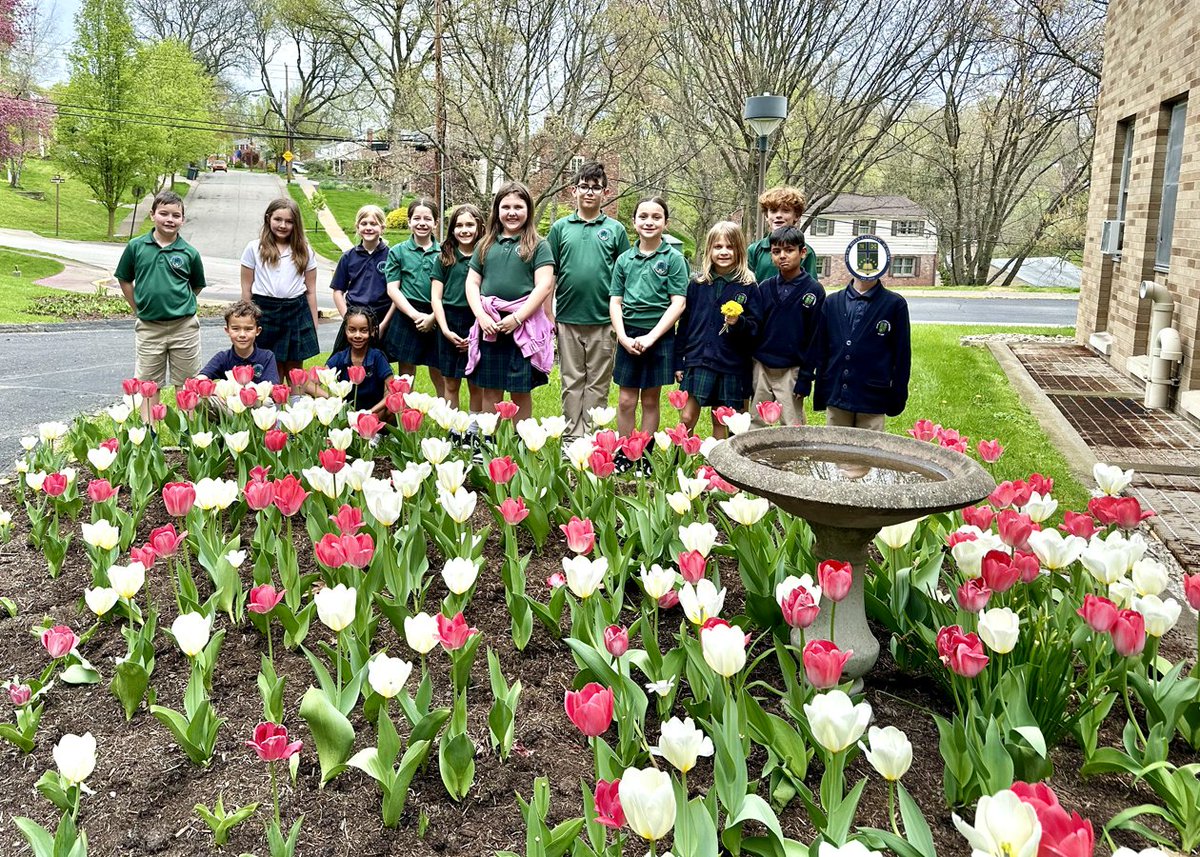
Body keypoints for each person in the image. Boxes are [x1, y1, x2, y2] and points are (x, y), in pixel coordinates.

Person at [547, 161, 631, 440]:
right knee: (572, 381)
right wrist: (549, 314)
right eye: (584, 187)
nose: (590, 193)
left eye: (596, 188)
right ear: (574, 190)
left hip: (603, 319)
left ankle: (593, 438)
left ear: (605, 193)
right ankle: (572, 437)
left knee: (598, 382)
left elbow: (624, 276)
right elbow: (550, 275)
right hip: (568, 318)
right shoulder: (560, 228)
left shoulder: (615, 230)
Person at [464, 181, 555, 421]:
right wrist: (481, 316)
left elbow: (544, 285)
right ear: (497, 210)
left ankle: (521, 442)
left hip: (522, 324)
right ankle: (489, 442)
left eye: (518, 207)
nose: (512, 213)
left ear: (529, 210)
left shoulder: (539, 245)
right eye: (506, 207)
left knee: (520, 389)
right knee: (490, 387)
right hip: (490, 324)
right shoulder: (485, 244)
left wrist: (517, 318)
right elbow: (472, 283)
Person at [808, 259, 911, 471]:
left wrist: (897, 395)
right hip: (837, 392)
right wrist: (820, 388)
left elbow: (901, 355)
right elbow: (821, 348)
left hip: (872, 396)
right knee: (836, 453)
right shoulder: (833, 302)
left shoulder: (894, 305)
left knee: (868, 457)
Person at [115, 189, 206, 412]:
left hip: (184, 328)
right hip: (149, 327)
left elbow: (197, 284)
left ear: (183, 220)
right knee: (149, 384)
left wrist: (181, 304)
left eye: (176, 215)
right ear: (152, 215)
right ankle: (149, 435)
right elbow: (125, 279)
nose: (170, 219)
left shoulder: (189, 252)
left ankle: (189, 436)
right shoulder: (136, 247)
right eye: (164, 213)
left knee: (187, 384)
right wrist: (137, 307)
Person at [609, 196, 688, 439]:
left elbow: (679, 302)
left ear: (666, 223)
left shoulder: (674, 259)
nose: (649, 222)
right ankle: (625, 449)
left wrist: (652, 337)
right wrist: (622, 337)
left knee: (651, 400)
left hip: (659, 334)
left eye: (656, 217)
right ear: (634, 222)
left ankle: (644, 452)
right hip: (628, 333)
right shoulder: (624, 260)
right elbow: (615, 301)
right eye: (643, 217)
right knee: (625, 399)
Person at [673, 221, 758, 440]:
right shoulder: (698, 284)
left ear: (739, 250)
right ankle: (680, 459)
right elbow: (684, 325)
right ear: (709, 250)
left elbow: (755, 329)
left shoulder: (748, 286)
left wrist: (737, 322)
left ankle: (718, 468)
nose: (723, 252)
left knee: (722, 420)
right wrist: (679, 361)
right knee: (687, 416)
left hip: (731, 364)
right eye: (718, 247)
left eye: (730, 247)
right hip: (698, 359)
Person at [240, 197, 319, 386]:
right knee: (268, 365)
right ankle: (270, 409)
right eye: (278, 219)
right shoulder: (254, 247)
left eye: (289, 221)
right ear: (268, 218)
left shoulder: (304, 250)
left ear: (296, 223)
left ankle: (295, 408)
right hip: (263, 311)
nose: (283, 225)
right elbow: (246, 289)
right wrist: (246, 320)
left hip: (296, 310)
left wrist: (314, 324)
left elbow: (311, 291)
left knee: (294, 370)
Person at [751, 226, 825, 426]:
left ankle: (794, 459)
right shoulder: (765, 288)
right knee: (757, 424)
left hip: (793, 370)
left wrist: (806, 378)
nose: (782, 256)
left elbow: (815, 338)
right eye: (776, 252)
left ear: (802, 252)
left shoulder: (814, 291)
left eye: (789, 250)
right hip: (762, 367)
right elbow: (754, 328)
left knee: (791, 425)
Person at [384, 198, 444, 396]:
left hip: (437, 314)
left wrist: (432, 317)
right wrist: (415, 315)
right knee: (406, 373)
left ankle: (446, 417)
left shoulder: (445, 252)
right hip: (407, 315)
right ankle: (405, 419)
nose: (422, 223)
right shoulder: (397, 251)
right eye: (416, 218)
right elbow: (393, 289)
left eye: (428, 219)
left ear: (436, 222)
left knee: (439, 370)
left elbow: (450, 290)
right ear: (409, 221)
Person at [431, 203, 485, 412]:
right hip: (449, 320)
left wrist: (476, 333)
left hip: (477, 320)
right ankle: (453, 428)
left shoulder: (485, 257)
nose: (464, 230)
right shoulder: (444, 257)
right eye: (459, 225)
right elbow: (436, 297)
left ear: (479, 227)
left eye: (470, 225)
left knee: (475, 382)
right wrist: (445, 330)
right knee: (450, 382)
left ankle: (473, 428)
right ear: (452, 229)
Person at [330, 204, 391, 355]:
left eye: (373, 223)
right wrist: (347, 319)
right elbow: (338, 291)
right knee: (342, 362)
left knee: (378, 364)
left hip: (381, 318)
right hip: (354, 317)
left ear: (382, 227)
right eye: (364, 223)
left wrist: (383, 325)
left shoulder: (392, 256)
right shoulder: (348, 257)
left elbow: (396, 293)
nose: (368, 227)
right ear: (357, 227)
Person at [327, 305, 393, 416]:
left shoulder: (377, 357)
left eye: (363, 330)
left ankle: (380, 433)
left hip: (374, 415)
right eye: (352, 330)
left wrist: (369, 413)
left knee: (395, 406)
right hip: (346, 415)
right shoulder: (340, 357)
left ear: (372, 331)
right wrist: (334, 401)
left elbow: (393, 390)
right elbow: (308, 384)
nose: (357, 335)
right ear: (345, 331)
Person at [746, 186, 819, 283]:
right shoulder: (754, 250)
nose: (778, 215)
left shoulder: (806, 251)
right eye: (773, 210)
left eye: (785, 210)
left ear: (796, 216)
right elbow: (747, 285)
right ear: (766, 216)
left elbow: (811, 289)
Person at [197, 300, 279, 383]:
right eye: (235, 329)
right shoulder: (222, 358)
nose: (242, 334)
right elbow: (202, 377)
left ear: (258, 331)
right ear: (227, 330)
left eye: (248, 329)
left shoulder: (267, 357)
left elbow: (272, 386)